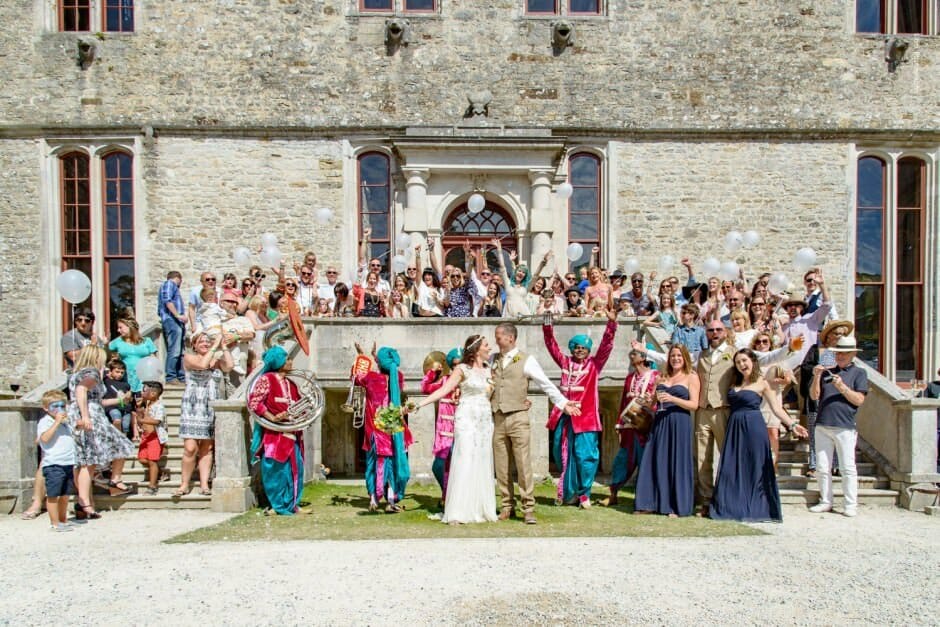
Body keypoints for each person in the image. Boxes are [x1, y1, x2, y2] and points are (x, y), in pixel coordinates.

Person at [490, 322, 581, 524]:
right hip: (497, 417)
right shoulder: (492, 359)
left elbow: (545, 383)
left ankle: (528, 507)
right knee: (501, 466)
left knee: (523, 464)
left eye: (499, 336)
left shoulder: (526, 359)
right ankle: (507, 506)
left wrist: (563, 403)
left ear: (510, 338)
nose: (496, 340)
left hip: (518, 417)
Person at [709, 349, 808, 522]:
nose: (741, 365)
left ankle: (757, 506)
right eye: (738, 362)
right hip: (734, 426)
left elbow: (777, 409)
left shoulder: (762, 383)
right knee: (732, 466)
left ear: (753, 361)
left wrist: (792, 424)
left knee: (755, 465)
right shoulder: (733, 382)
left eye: (744, 361)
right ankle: (732, 505)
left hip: (754, 426)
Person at [411, 336, 499, 524]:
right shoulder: (462, 369)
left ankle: (480, 508)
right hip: (466, 418)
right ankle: (458, 510)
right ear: (476, 350)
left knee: (482, 460)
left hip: (484, 420)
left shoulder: (489, 370)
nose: (489, 348)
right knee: (464, 459)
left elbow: (496, 394)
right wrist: (420, 404)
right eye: (486, 345)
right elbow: (444, 390)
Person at [543, 309, 618, 508]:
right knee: (562, 455)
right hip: (565, 418)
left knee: (586, 458)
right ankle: (570, 494)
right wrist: (547, 326)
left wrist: (611, 326)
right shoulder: (565, 362)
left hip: (586, 420)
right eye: (576, 347)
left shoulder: (594, 364)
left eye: (583, 347)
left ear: (588, 350)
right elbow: (552, 347)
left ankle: (584, 494)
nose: (579, 350)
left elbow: (605, 347)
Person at [67, 345, 136, 519]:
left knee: (84, 461)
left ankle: (85, 501)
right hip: (90, 416)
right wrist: (85, 416)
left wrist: (117, 400)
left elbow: (95, 400)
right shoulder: (92, 373)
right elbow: (81, 390)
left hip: (84, 412)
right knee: (116, 448)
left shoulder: (77, 373)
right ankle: (110, 483)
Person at [633, 344, 699, 517]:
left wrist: (673, 398)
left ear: (685, 357)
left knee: (676, 462)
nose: (675, 359)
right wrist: (646, 400)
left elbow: (694, 405)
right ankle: (649, 503)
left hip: (679, 422)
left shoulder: (691, 377)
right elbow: (653, 402)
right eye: (672, 356)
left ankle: (675, 506)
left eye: (679, 356)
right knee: (655, 459)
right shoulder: (662, 377)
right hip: (660, 421)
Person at [809, 335, 868, 517]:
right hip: (823, 424)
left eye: (845, 353)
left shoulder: (859, 373)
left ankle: (850, 504)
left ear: (852, 354)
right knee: (822, 466)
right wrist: (817, 376)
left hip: (845, 426)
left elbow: (859, 400)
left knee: (847, 467)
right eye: (838, 353)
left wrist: (842, 387)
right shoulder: (828, 371)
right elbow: (814, 396)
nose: (841, 356)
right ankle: (826, 501)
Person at [248, 346, 307, 515]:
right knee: (275, 470)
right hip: (275, 434)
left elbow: (301, 405)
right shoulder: (266, 379)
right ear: (278, 362)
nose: (290, 361)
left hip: (293, 432)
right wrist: (272, 418)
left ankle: (293, 503)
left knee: (296, 469)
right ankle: (277, 505)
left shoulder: (291, 383)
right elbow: (255, 403)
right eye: (287, 359)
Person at [354, 344, 412, 513]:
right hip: (394, 431)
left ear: (378, 363)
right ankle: (391, 501)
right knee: (393, 465)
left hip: (374, 430)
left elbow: (357, 377)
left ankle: (373, 498)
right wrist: (377, 358)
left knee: (373, 465)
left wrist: (362, 356)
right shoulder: (398, 378)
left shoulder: (371, 378)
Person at [175, 331, 234, 497]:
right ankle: (184, 483)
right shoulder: (188, 358)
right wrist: (214, 347)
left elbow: (229, 366)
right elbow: (202, 365)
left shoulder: (215, 360)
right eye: (202, 341)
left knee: (207, 448)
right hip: (192, 406)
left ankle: (204, 484)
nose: (205, 344)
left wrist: (223, 347)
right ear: (194, 345)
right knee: (190, 447)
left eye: (208, 341)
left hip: (210, 405)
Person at [604, 348, 659, 506]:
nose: (631, 356)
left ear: (644, 357)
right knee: (621, 461)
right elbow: (623, 402)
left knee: (645, 461)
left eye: (634, 354)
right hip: (629, 426)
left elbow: (656, 400)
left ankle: (646, 499)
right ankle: (613, 494)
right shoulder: (629, 378)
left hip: (646, 426)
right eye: (631, 353)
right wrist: (620, 424)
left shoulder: (655, 376)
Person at [419, 348, 462, 510]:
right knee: (439, 466)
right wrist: (432, 372)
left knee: (458, 467)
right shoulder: (444, 381)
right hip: (444, 433)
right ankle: (447, 493)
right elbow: (424, 388)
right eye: (455, 364)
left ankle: (454, 498)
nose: (457, 368)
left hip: (462, 430)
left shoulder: (468, 381)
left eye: (461, 364)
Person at [37, 390, 77, 532]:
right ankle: (54, 523)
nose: (59, 409)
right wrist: (56, 422)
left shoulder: (65, 423)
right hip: (54, 464)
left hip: (67, 462)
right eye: (55, 406)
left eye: (62, 405)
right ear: (46, 408)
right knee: (53, 495)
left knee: (65, 495)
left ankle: (63, 520)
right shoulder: (45, 421)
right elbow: (44, 439)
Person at [108, 317, 158, 394]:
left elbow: (154, 361)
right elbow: (106, 353)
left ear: (129, 326)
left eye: (121, 327)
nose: (118, 330)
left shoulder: (147, 341)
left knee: (141, 403)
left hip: (143, 379)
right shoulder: (118, 341)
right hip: (125, 378)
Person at [135, 382, 167, 496]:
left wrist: (142, 421)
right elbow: (140, 416)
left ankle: (152, 486)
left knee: (152, 461)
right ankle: (159, 473)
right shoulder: (147, 404)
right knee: (142, 459)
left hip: (155, 437)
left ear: (153, 393)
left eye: (145, 391)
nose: (143, 393)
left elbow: (157, 421)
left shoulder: (159, 406)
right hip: (146, 436)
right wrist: (139, 407)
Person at [158, 271, 188, 386]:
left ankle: (180, 376)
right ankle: (171, 376)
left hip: (177, 322)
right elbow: (167, 301)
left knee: (179, 350)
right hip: (171, 320)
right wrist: (177, 315)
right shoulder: (170, 284)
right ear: (178, 278)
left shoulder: (173, 286)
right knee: (174, 349)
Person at [102, 358, 135, 439]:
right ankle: (116, 437)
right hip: (112, 407)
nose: (120, 374)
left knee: (126, 426)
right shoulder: (106, 381)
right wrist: (107, 373)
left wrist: (129, 395)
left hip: (125, 409)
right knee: (117, 418)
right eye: (117, 372)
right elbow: (100, 375)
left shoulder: (125, 384)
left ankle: (123, 439)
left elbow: (130, 398)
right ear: (110, 371)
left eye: (122, 373)